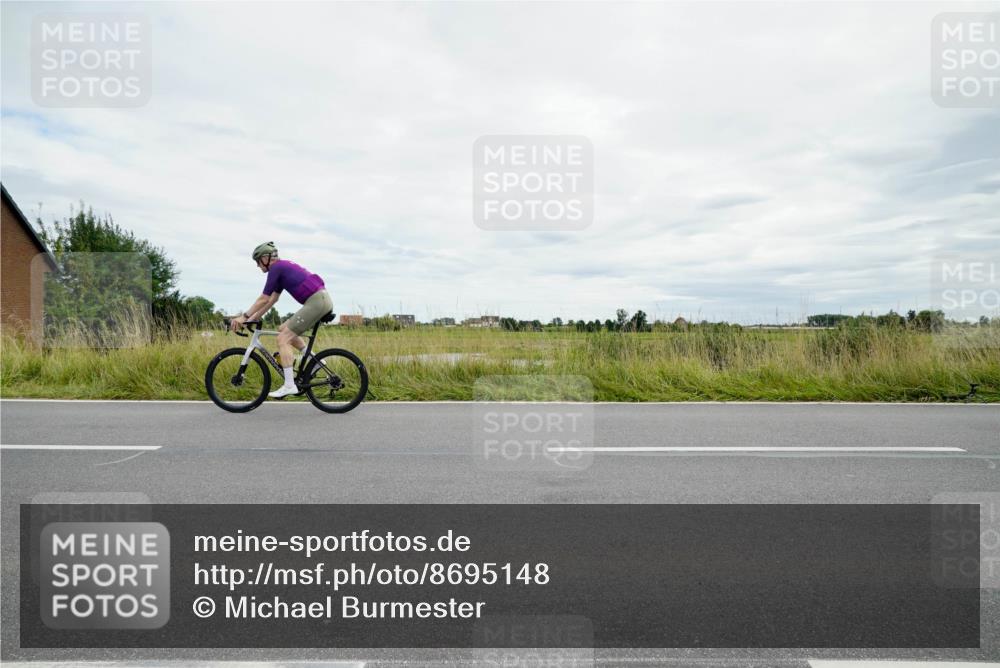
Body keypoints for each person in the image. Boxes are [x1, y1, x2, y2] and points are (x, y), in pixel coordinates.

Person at [230, 242, 333, 398]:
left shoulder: (276, 268)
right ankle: (316, 363)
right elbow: (272, 300)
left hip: (317, 301)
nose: (258, 266)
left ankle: (289, 385)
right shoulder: (281, 269)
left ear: (266, 258)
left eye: (258, 261)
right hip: (319, 300)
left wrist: (244, 317)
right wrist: (252, 319)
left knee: (283, 339)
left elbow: (263, 298)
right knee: (283, 329)